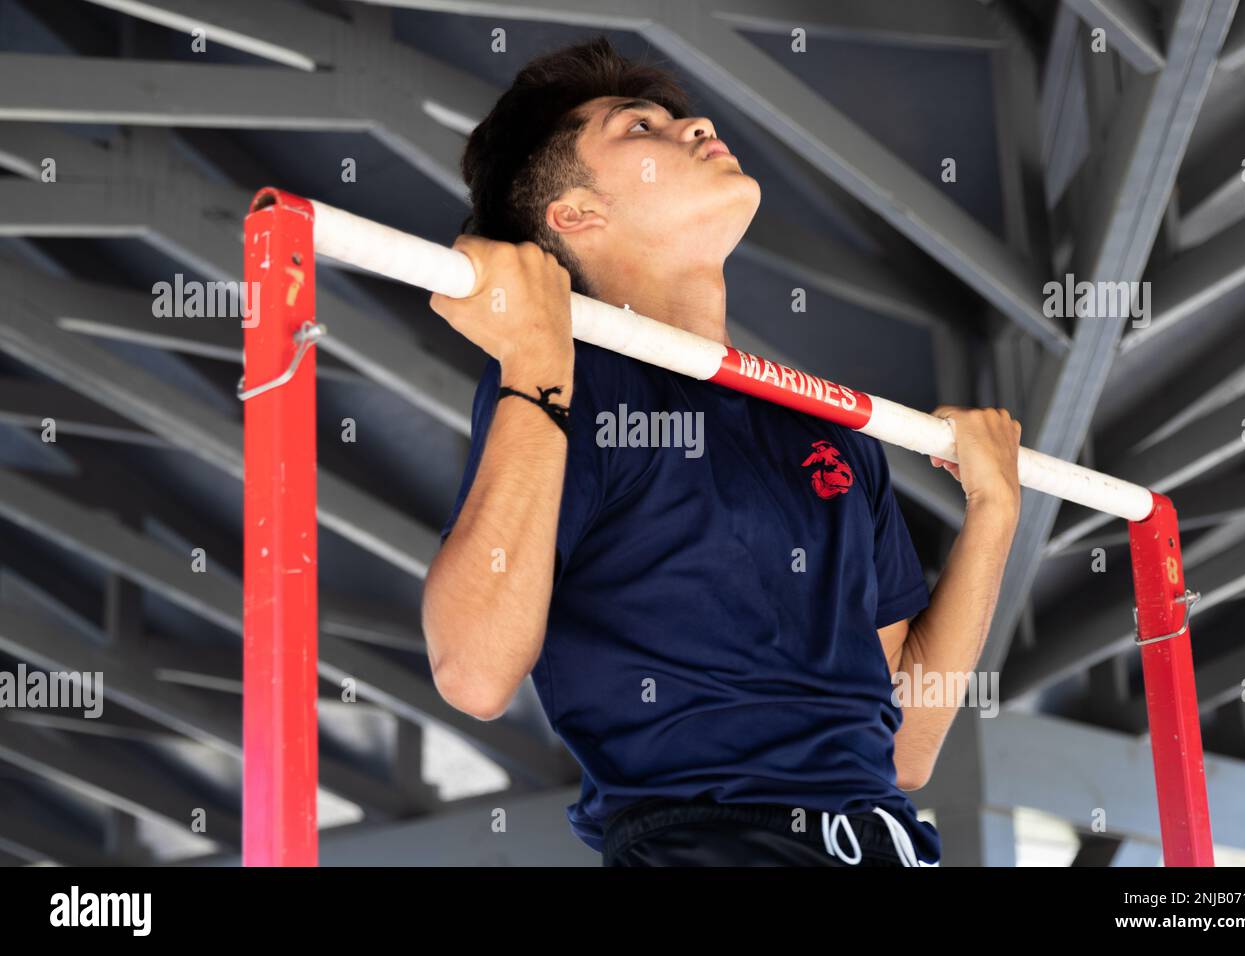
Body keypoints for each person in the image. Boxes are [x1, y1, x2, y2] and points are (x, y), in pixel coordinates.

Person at [423, 36, 1022, 867]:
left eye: (674, 116)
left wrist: (994, 514)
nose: (695, 123)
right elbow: (473, 673)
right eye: (640, 128)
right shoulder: (567, 382)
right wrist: (530, 362)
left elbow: (903, 748)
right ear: (577, 216)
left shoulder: (831, 429)